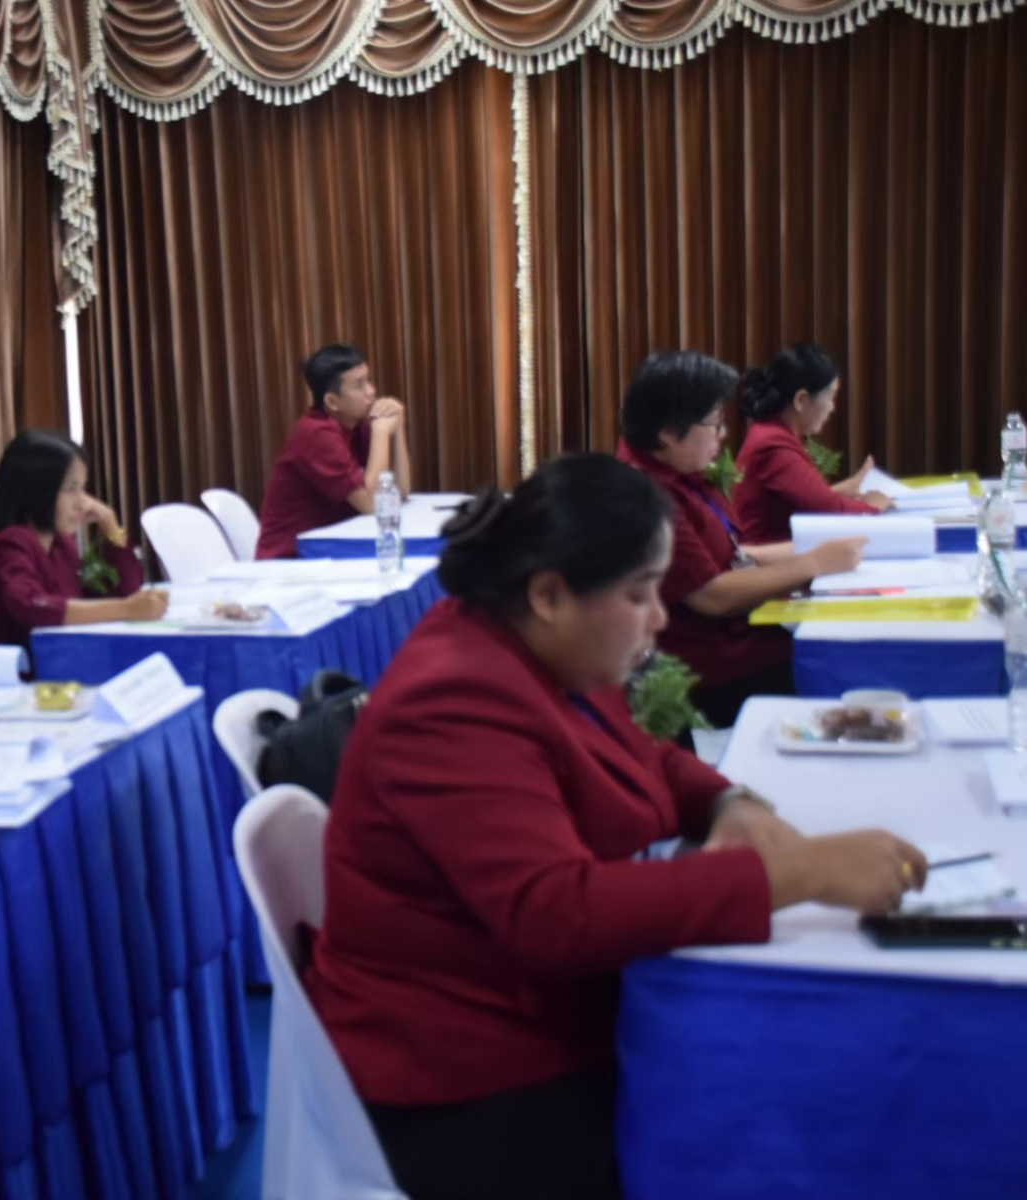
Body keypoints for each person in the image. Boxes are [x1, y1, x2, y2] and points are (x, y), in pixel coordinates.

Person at [305, 453, 927, 1200]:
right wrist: (794, 874)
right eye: (639, 594)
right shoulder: (454, 700)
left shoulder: (532, 646)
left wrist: (729, 804)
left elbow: (641, 757)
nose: (660, 618)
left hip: (541, 1009)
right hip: (468, 1071)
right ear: (549, 594)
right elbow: (555, 913)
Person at [616, 351, 868, 726]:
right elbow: (713, 595)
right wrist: (813, 562)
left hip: (736, 637)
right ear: (668, 431)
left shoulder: (676, 470)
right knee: (841, 660)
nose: (723, 435)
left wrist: (815, 552)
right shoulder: (647, 494)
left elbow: (732, 553)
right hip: (708, 664)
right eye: (714, 424)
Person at [0, 429, 167, 651]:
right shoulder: (11, 543)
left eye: (82, 488)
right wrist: (126, 608)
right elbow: (31, 606)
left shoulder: (61, 545)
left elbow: (122, 595)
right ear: (38, 490)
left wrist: (111, 528)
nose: (83, 503)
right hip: (8, 671)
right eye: (72, 489)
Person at [255, 344, 413, 559]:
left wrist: (398, 425)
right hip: (290, 560)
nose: (371, 391)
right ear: (332, 401)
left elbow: (400, 490)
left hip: (331, 551)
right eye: (359, 385)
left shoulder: (356, 424)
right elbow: (373, 506)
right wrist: (382, 431)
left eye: (368, 380)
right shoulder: (315, 434)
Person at [734, 342, 893, 545]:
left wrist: (844, 489)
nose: (832, 408)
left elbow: (804, 501)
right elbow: (829, 509)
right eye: (830, 397)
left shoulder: (772, 432)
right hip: (765, 559)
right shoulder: (773, 445)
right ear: (801, 399)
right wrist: (873, 506)